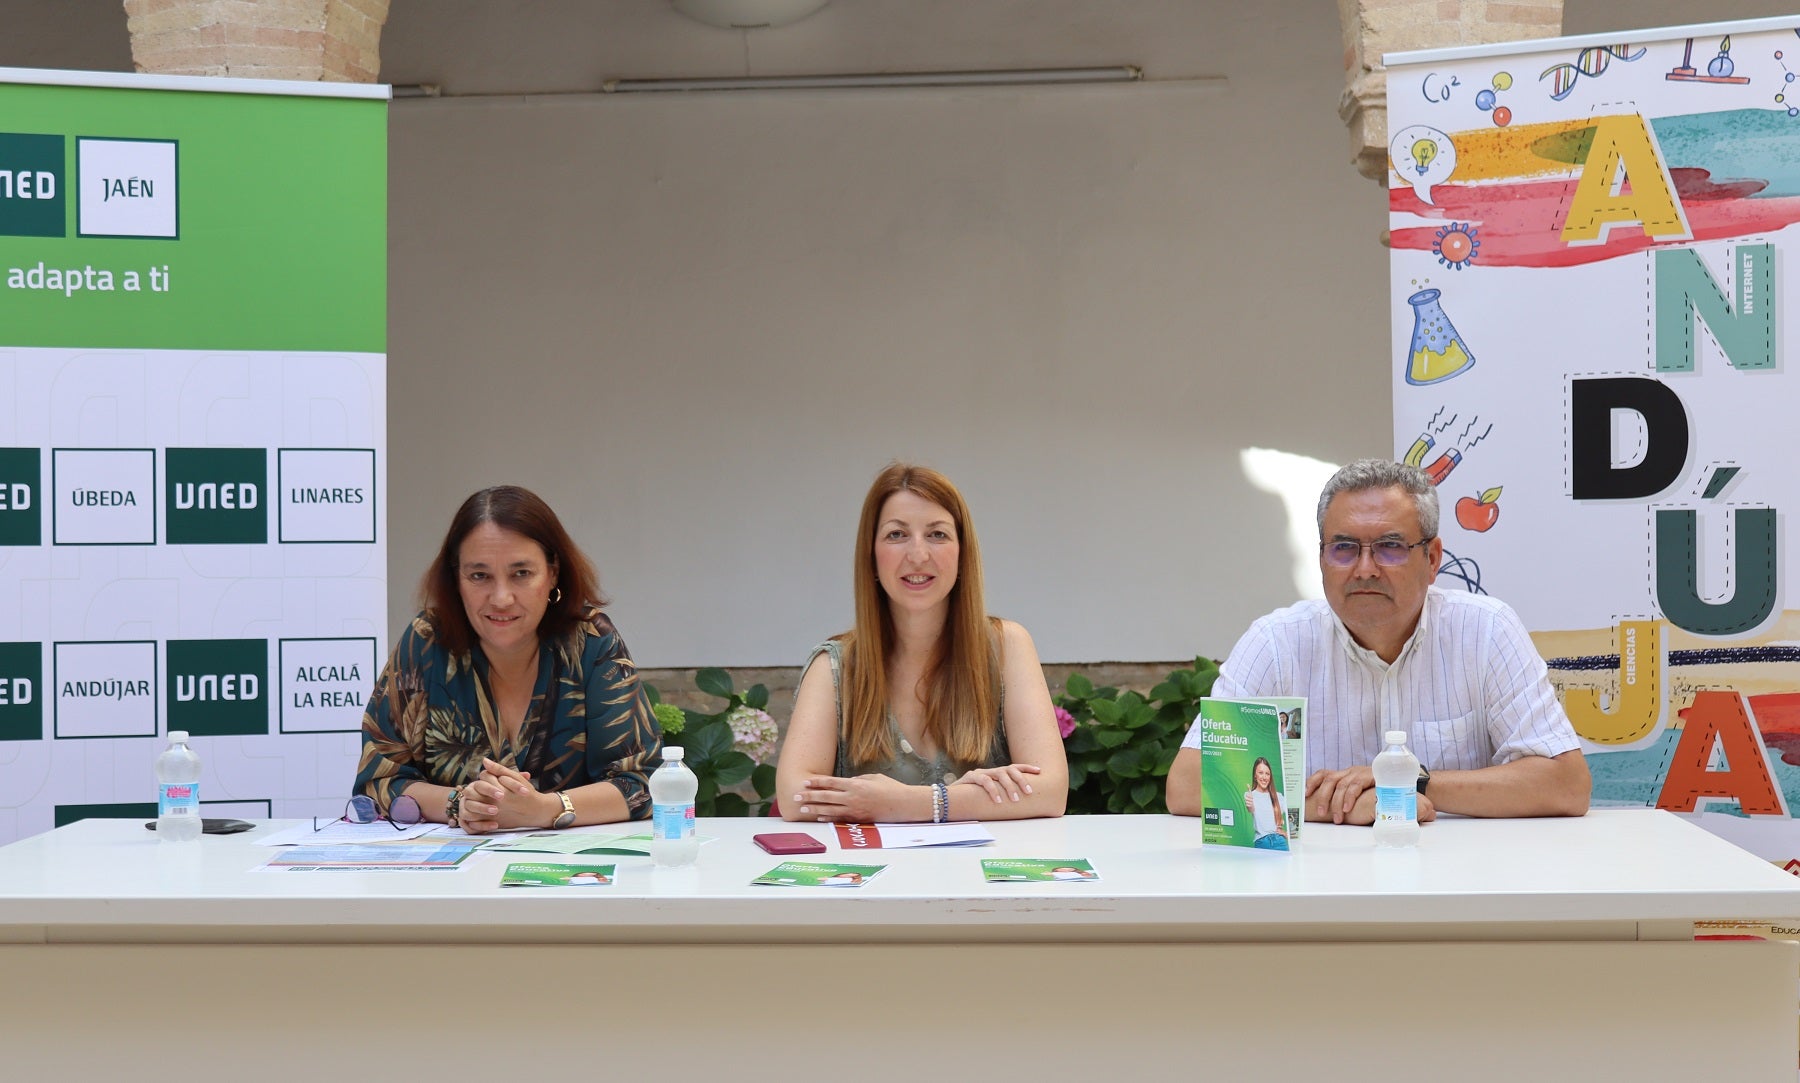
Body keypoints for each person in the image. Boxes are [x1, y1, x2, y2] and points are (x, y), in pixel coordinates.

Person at [1168, 459, 1589, 824]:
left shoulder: (1486, 631)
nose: (1365, 569)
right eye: (1344, 548)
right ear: (1321, 558)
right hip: (1314, 892)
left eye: (1389, 547)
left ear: (1433, 559)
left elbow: (1566, 785)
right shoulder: (1276, 644)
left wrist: (1409, 782)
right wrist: (1341, 807)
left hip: (1461, 885)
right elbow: (1188, 785)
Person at [355, 485, 663, 834]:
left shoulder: (589, 640)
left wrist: (547, 809)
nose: (501, 598)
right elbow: (378, 782)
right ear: (456, 579)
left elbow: (646, 781)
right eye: (479, 576)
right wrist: (462, 805)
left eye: (521, 573)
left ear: (553, 574)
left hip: (571, 877)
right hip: (453, 881)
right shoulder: (426, 642)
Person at [777, 463, 1068, 823]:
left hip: (981, 876)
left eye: (937, 535)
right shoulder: (834, 666)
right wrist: (968, 797)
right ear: (871, 556)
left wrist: (904, 803)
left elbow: (1051, 791)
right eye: (897, 535)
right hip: (879, 877)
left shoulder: (1007, 646)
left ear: (963, 554)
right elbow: (794, 797)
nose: (917, 555)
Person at [1243, 757, 1288, 850]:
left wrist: (1286, 834)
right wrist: (1249, 804)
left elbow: (1293, 816)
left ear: (1270, 777)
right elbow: (1250, 808)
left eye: (1267, 774)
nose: (1264, 777)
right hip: (1262, 841)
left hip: (1279, 841)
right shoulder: (1249, 795)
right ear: (1255, 775)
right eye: (1260, 773)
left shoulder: (1278, 796)